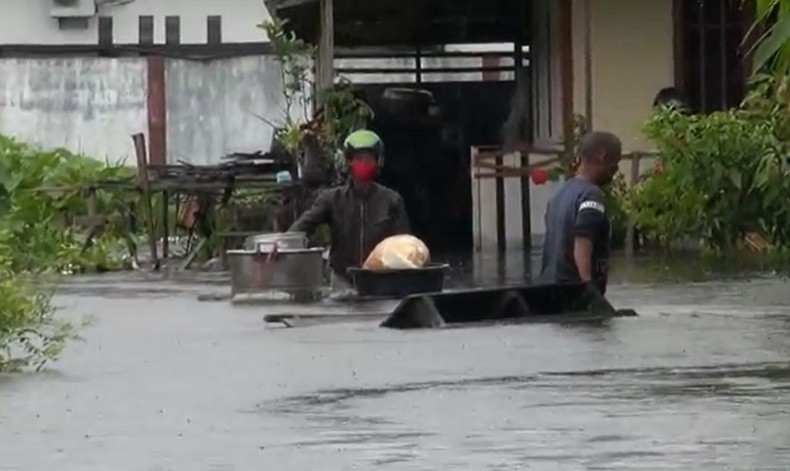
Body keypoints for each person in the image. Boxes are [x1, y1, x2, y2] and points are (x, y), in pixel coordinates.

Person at [288, 129, 411, 289]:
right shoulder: (332, 198)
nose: (364, 163)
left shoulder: (391, 200)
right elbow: (304, 224)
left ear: (378, 162)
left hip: (381, 280)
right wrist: (283, 243)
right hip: (342, 280)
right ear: (349, 162)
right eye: (359, 159)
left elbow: (405, 244)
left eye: (369, 159)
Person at [540, 131, 622, 295]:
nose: (616, 170)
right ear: (602, 156)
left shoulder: (560, 194)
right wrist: (589, 290)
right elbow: (583, 241)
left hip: (551, 291)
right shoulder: (591, 196)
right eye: (615, 162)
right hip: (575, 294)